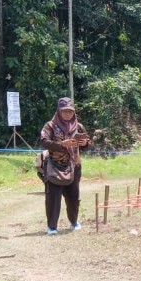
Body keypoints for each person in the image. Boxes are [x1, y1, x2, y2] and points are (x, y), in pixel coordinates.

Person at [39, 97, 90, 235]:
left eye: (70, 111)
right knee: (53, 198)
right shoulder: (50, 126)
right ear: (59, 111)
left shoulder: (78, 126)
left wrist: (84, 143)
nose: (67, 114)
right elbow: (43, 142)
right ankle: (52, 227)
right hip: (55, 166)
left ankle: (74, 221)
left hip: (74, 166)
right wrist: (61, 144)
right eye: (64, 111)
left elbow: (87, 145)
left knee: (73, 197)